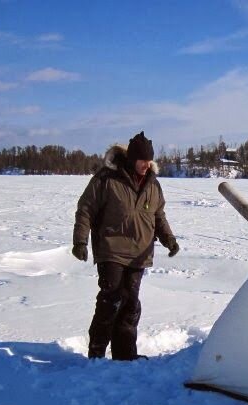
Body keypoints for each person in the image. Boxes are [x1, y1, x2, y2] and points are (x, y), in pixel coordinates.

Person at [71, 131, 179, 360]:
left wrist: (169, 239)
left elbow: (158, 217)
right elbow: (85, 209)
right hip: (111, 249)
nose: (146, 164)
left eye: (149, 160)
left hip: (139, 253)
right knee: (111, 300)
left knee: (130, 304)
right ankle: (96, 353)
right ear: (131, 159)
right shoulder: (106, 179)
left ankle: (125, 355)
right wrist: (80, 241)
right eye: (142, 160)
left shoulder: (153, 185)